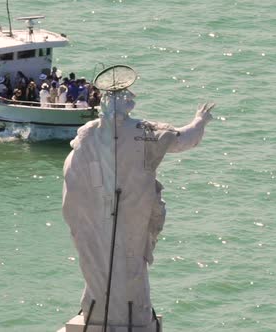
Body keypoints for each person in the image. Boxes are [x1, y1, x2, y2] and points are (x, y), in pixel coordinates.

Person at [62, 86, 215, 331]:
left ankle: (99, 309)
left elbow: (72, 178)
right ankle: (131, 312)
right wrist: (200, 121)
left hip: (93, 215)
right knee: (130, 264)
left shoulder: (88, 135)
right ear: (127, 106)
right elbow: (183, 140)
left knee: (98, 263)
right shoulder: (144, 132)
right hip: (132, 214)